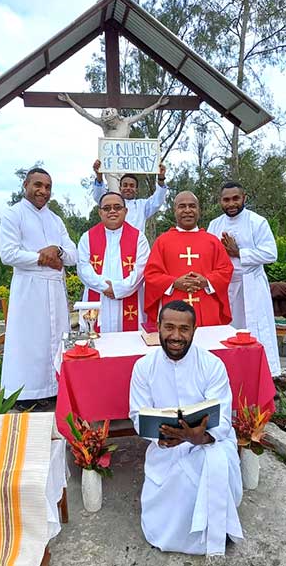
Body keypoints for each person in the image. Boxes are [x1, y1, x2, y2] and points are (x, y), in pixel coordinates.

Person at [129, 300, 243, 556]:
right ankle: (177, 533)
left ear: (194, 330)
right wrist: (161, 438)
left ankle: (213, 531)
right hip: (166, 447)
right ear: (157, 327)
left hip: (209, 444)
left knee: (211, 463)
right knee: (174, 486)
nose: (176, 336)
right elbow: (137, 415)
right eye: (169, 327)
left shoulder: (212, 365)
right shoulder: (143, 367)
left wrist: (199, 437)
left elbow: (223, 419)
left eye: (184, 329)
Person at [0, 167, 77, 408]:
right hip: (28, 289)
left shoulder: (56, 220)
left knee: (55, 340)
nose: (43, 191)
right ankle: (24, 393)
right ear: (26, 185)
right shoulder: (14, 214)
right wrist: (42, 257)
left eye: (47, 187)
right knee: (28, 341)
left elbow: (73, 255)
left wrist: (59, 251)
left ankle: (53, 388)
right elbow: (8, 253)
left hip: (54, 288)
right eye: (38, 185)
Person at [208, 181, 280, 377]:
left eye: (235, 198)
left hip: (251, 285)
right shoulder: (215, 225)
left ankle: (263, 376)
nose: (231, 204)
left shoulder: (257, 222)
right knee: (227, 332)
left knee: (255, 330)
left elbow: (270, 254)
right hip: (225, 286)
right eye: (226, 200)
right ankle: (230, 373)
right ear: (220, 201)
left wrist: (238, 252)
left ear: (244, 198)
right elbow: (208, 255)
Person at [144, 191, 233, 325]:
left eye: (192, 206)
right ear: (175, 210)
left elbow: (226, 270)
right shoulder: (162, 241)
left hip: (207, 304)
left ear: (199, 210)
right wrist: (174, 282)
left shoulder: (212, 241)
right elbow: (151, 274)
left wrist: (206, 281)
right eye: (182, 206)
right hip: (174, 306)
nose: (187, 210)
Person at [58, 92, 169, 192]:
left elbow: (143, 113)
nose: (109, 123)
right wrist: (69, 101)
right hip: (111, 166)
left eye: (111, 121)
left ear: (116, 117)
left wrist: (158, 104)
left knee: (127, 193)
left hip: (125, 165)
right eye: (107, 122)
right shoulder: (104, 125)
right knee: (115, 195)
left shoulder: (126, 122)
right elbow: (85, 114)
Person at [77, 191, 150, 332]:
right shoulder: (87, 237)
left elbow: (142, 270)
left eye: (117, 207)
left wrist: (118, 289)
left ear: (125, 211)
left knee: (129, 345)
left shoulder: (139, 238)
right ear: (100, 212)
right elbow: (82, 268)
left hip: (129, 299)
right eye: (106, 208)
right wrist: (105, 287)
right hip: (98, 299)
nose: (112, 211)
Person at [92, 159, 167, 232]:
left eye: (131, 186)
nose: (128, 188)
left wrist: (161, 178)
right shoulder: (111, 202)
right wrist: (99, 176)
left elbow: (158, 200)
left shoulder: (142, 205)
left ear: (136, 189)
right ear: (120, 188)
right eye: (125, 185)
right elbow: (99, 197)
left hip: (136, 243)